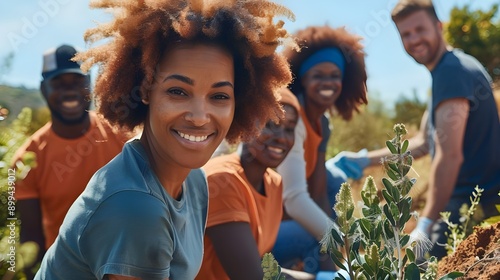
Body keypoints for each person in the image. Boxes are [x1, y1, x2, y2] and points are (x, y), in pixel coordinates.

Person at [33, 0, 293, 279]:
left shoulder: (194, 181)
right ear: (145, 91)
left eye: (219, 96)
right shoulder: (136, 207)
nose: (199, 117)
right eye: (178, 92)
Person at [346, 0, 500, 260]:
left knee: (418, 264)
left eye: (420, 29)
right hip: (467, 199)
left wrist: (426, 224)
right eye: (406, 34)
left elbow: (449, 155)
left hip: (473, 204)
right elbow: (424, 143)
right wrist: (362, 160)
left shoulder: (451, 73)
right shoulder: (450, 69)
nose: (414, 39)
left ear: (438, 27)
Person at [12, 44, 133, 278]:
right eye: (58, 84)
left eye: (78, 82)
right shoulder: (26, 160)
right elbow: (31, 238)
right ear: (43, 89)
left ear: (91, 85)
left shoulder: (123, 135)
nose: (70, 91)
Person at [273, 26, 368, 274]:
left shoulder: (321, 123)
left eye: (334, 75)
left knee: (334, 182)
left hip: (282, 218)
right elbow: (294, 200)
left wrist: (338, 249)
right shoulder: (289, 118)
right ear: (302, 78)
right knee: (314, 234)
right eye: (318, 75)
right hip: (258, 226)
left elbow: (318, 191)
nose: (328, 83)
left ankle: (325, 271)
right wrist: (340, 241)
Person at [196, 88, 300, 280]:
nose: (281, 137)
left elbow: (260, 267)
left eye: (289, 129)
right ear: (244, 125)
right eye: (271, 124)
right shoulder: (222, 179)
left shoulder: (274, 183)